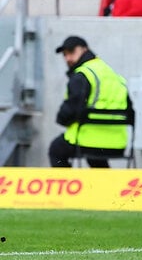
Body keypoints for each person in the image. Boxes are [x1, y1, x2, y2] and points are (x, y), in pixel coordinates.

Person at [48, 36, 132, 168]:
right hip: (117, 144)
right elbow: (130, 111)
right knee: (96, 159)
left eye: (71, 52)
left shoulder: (82, 75)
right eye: (65, 54)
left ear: (84, 50)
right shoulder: (112, 74)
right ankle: (104, 187)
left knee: (56, 149)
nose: (67, 58)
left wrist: (61, 119)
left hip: (87, 142)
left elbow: (69, 111)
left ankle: (68, 188)